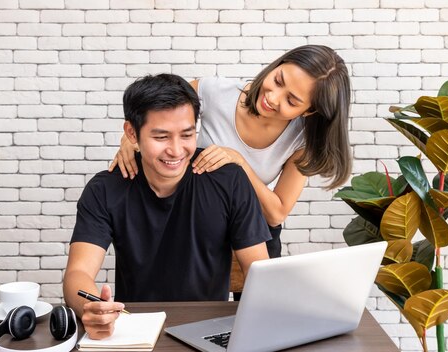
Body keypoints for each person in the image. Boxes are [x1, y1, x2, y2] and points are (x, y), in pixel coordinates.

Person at [63, 73, 271, 339]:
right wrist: (90, 307)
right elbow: (77, 273)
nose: (176, 150)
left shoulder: (228, 180)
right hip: (135, 330)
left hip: (210, 331)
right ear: (131, 134)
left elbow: (258, 270)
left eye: (187, 134)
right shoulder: (105, 189)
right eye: (161, 137)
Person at [109, 45, 352, 259]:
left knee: (262, 293)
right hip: (197, 217)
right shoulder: (215, 93)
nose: (273, 97)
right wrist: (129, 140)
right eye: (278, 80)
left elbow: (276, 214)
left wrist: (239, 164)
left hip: (252, 228)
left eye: (292, 101)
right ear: (277, 65)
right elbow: (155, 114)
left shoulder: (302, 141)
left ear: (308, 111)